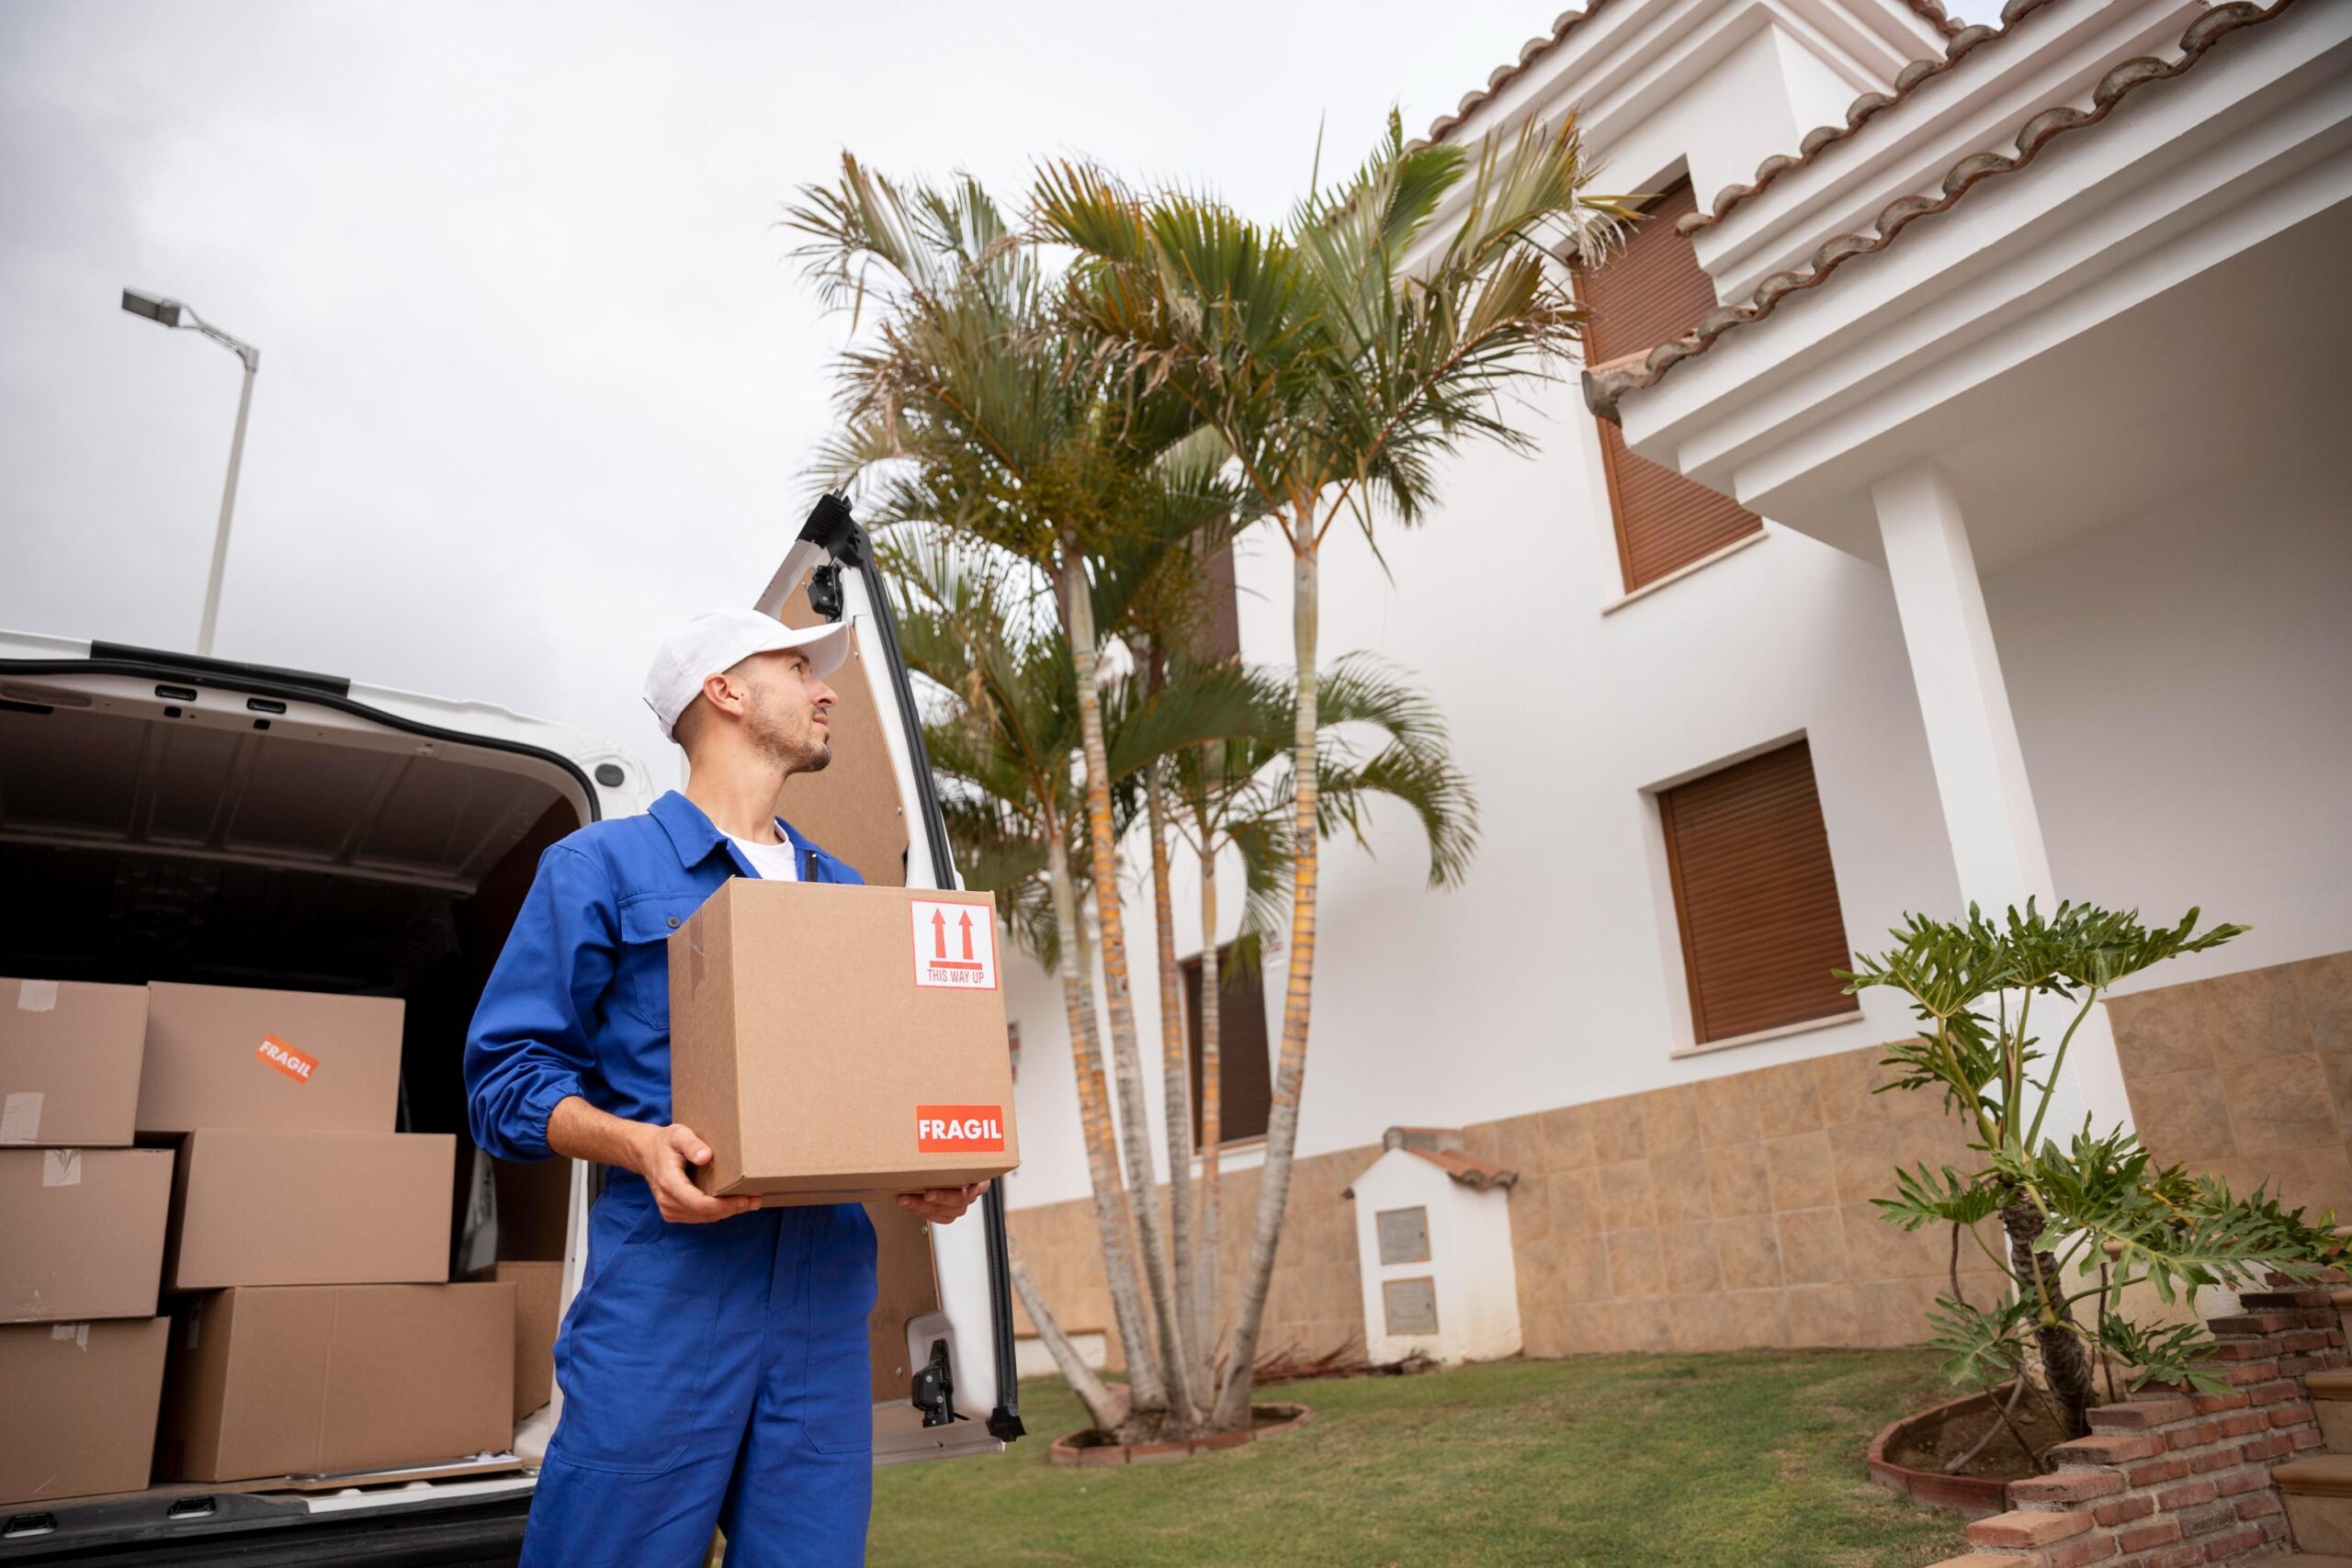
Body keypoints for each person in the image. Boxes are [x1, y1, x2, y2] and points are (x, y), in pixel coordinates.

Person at [465, 608, 986, 1568]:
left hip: (823, 1303)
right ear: (725, 692)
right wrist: (637, 1144)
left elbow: (870, 1091)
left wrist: (933, 1168)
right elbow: (504, 1082)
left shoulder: (845, 892)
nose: (826, 691)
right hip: (667, 1296)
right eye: (798, 668)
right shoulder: (597, 867)